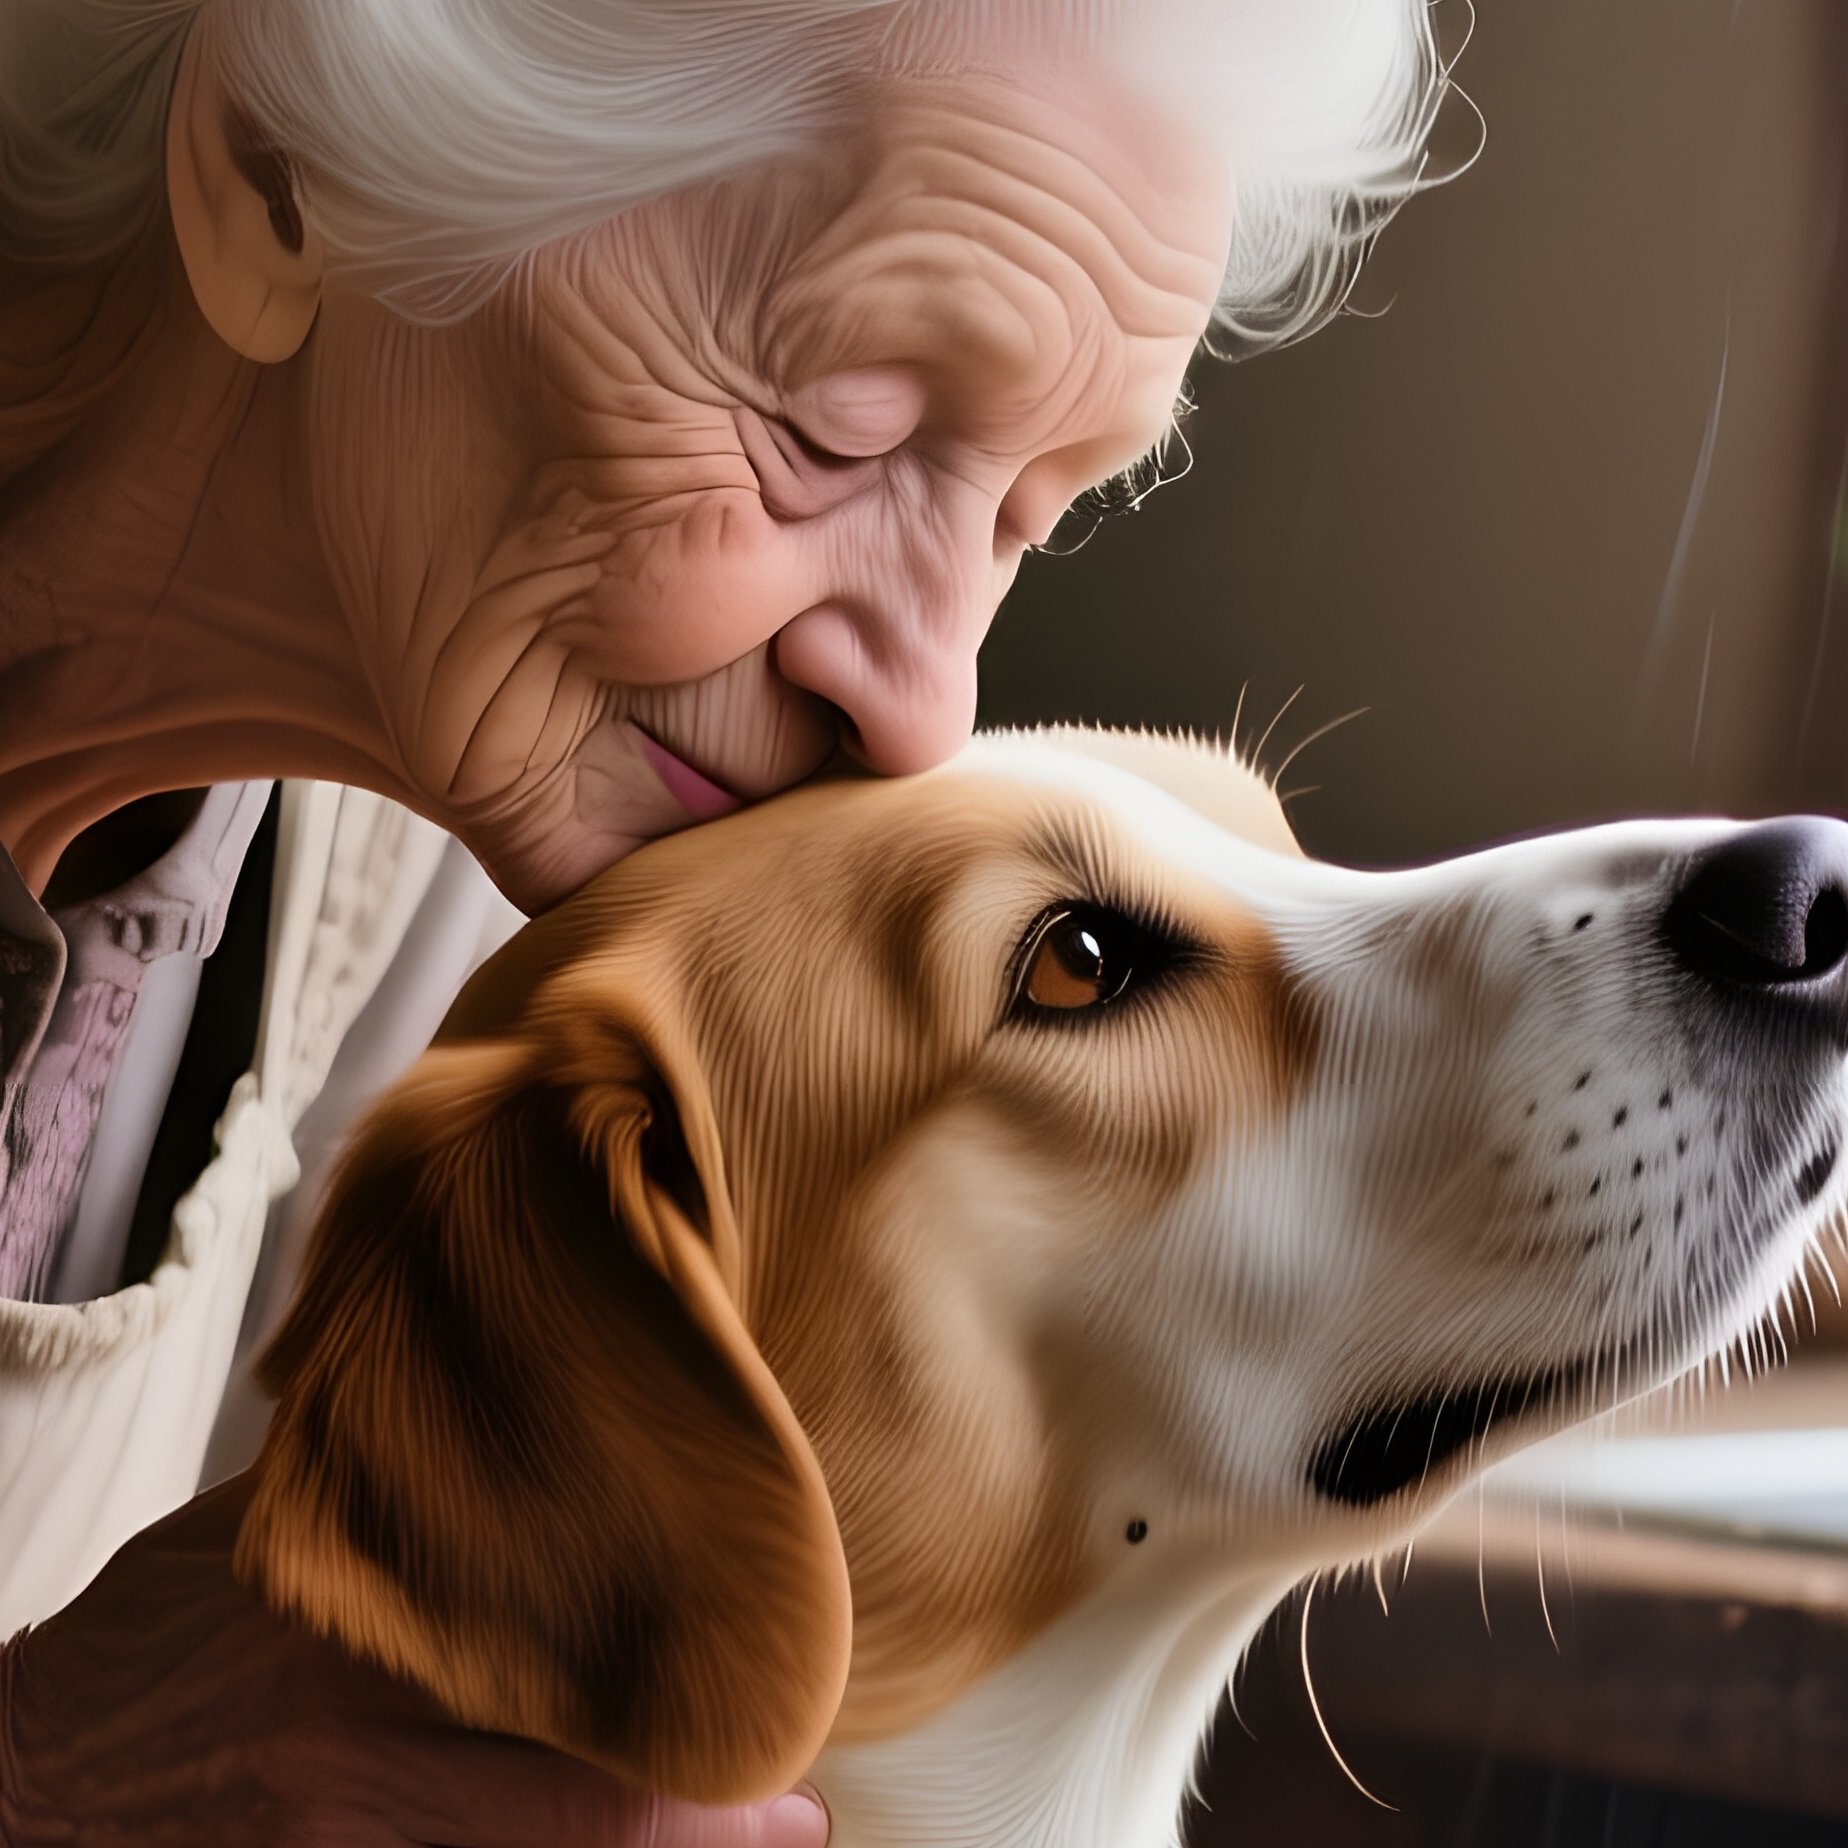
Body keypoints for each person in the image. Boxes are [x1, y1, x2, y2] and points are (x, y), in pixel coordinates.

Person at [0, 1, 1447, 1840]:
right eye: (832, 432)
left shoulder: (464, 827)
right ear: (282, 177)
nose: (926, 702)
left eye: (1024, 514)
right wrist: (39, 1769)